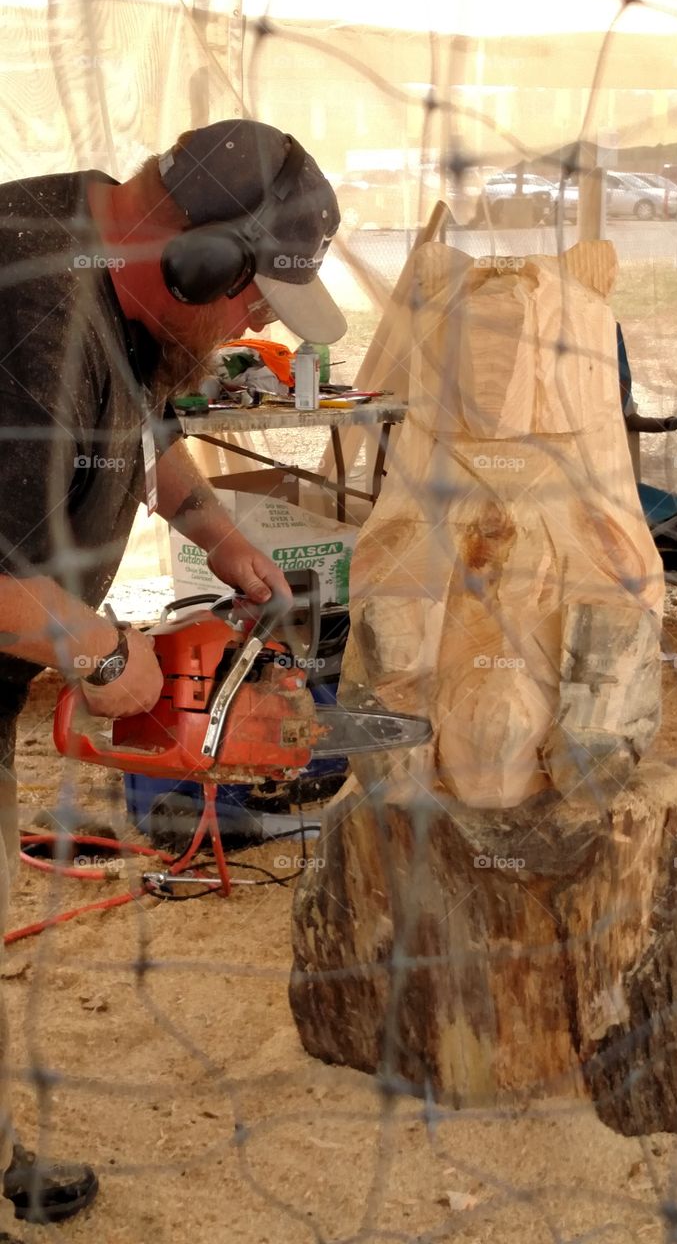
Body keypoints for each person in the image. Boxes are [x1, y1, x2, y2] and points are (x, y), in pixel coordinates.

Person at [0, 117, 346, 1234]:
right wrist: (98, 651)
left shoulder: (118, 267)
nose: (255, 321)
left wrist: (212, 530)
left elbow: (146, 427)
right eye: (253, 297)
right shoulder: (30, 313)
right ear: (199, 258)